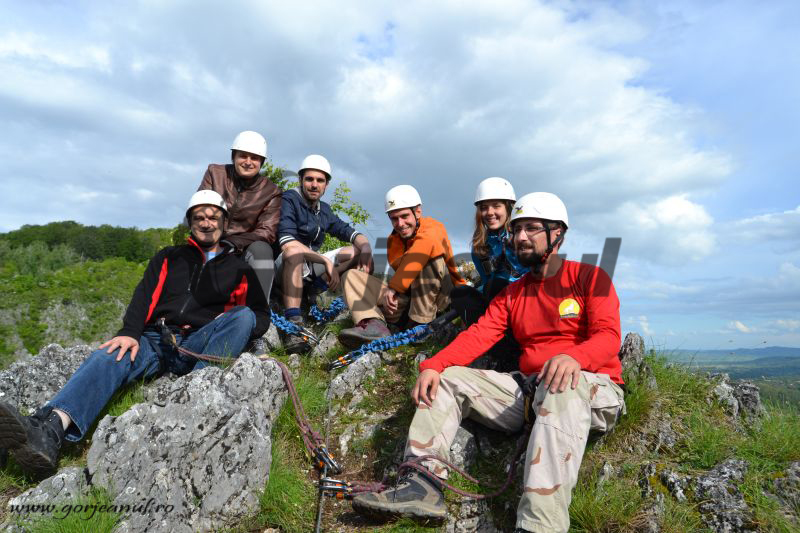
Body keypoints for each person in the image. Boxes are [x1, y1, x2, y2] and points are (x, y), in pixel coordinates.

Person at [351, 192, 625, 533]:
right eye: (517, 229)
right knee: (448, 378)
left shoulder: (589, 277)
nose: (520, 237)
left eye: (532, 229)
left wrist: (574, 357)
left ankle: (541, 525)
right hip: (529, 389)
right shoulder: (514, 293)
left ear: (558, 233)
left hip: (590, 388)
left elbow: (608, 336)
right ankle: (422, 483)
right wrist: (433, 366)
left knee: (561, 385)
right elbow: (478, 335)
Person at [0, 191, 269, 479]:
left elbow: (260, 315)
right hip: (157, 340)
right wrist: (129, 332)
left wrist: (229, 321)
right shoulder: (169, 257)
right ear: (190, 222)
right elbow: (143, 296)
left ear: (224, 221)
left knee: (243, 316)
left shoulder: (239, 269)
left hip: (199, 343)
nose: (206, 223)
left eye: (213, 217)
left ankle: (198, 394)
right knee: (110, 355)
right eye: (199, 217)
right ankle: (51, 430)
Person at [337, 185, 466, 348]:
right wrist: (393, 298)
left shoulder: (434, 227)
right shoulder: (393, 242)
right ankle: (373, 324)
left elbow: (421, 251)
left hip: (443, 298)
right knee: (351, 276)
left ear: (418, 211)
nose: (400, 223)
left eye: (405, 216)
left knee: (431, 259)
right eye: (394, 218)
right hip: (411, 298)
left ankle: (421, 327)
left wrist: (394, 288)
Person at [275, 154, 373, 353]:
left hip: (309, 267)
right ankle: (294, 321)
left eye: (320, 180)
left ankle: (314, 293)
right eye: (309, 179)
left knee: (352, 252)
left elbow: (351, 233)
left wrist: (366, 249)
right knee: (294, 253)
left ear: (326, 185)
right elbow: (287, 243)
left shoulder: (324, 210)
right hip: (284, 265)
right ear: (301, 180)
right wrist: (324, 261)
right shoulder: (289, 199)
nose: (314, 185)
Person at [450, 177, 528, 371]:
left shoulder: (524, 238)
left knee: (498, 285)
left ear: (509, 208)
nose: (490, 212)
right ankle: (499, 351)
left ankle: (517, 350)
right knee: (461, 294)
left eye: (496, 206)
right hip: (498, 306)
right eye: (484, 207)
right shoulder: (480, 248)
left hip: (526, 302)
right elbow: (486, 283)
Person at [198, 130, 282, 305]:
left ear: (262, 162)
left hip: (243, 249)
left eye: (255, 158)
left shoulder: (272, 191)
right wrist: (215, 242)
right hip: (210, 243)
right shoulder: (215, 173)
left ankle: (258, 315)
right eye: (243, 156)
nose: (248, 162)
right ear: (233, 156)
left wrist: (234, 243)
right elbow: (201, 209)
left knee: (263, 250)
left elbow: (267, 231)